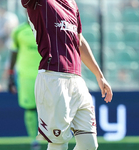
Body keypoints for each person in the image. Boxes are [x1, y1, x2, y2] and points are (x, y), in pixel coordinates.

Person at [21, 1, 113, 150]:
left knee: (89, 144)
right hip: (53, 77)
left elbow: (79, 40)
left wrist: (99, 75)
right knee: (58, 144)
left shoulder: (72, 3)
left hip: (77, 80)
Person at [8, 22, 41, 150]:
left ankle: (54, 138)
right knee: (30, 109)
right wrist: (11, 75)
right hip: (26, 77)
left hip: (47, 75)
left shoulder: (49, 26)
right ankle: (34, 141)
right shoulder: (18, 31)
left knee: (51, 108)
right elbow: (14, 52)